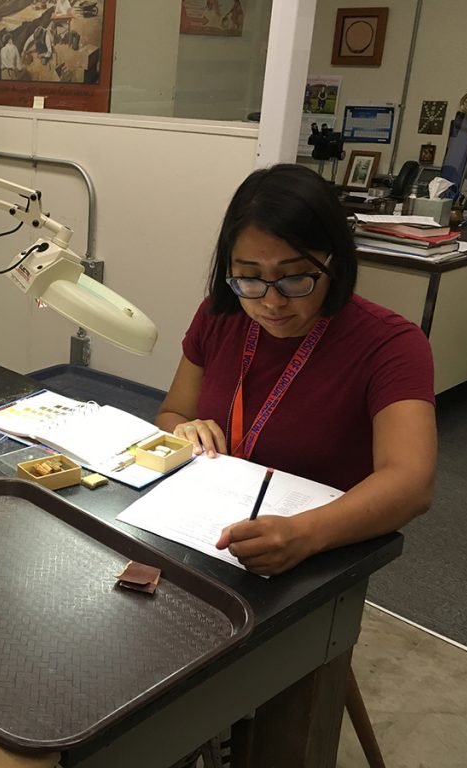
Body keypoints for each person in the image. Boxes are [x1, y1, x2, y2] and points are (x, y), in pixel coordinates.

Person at [155, 163, 436, 576]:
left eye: (293, 279)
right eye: (249, 277)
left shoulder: (391, 344)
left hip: (314, 554)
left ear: (334, 263)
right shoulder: (220, 315)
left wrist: (304, 534)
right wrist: (183, 430)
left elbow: (412, 483)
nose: (271, 302)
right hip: (205, 538)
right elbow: (170, 415)